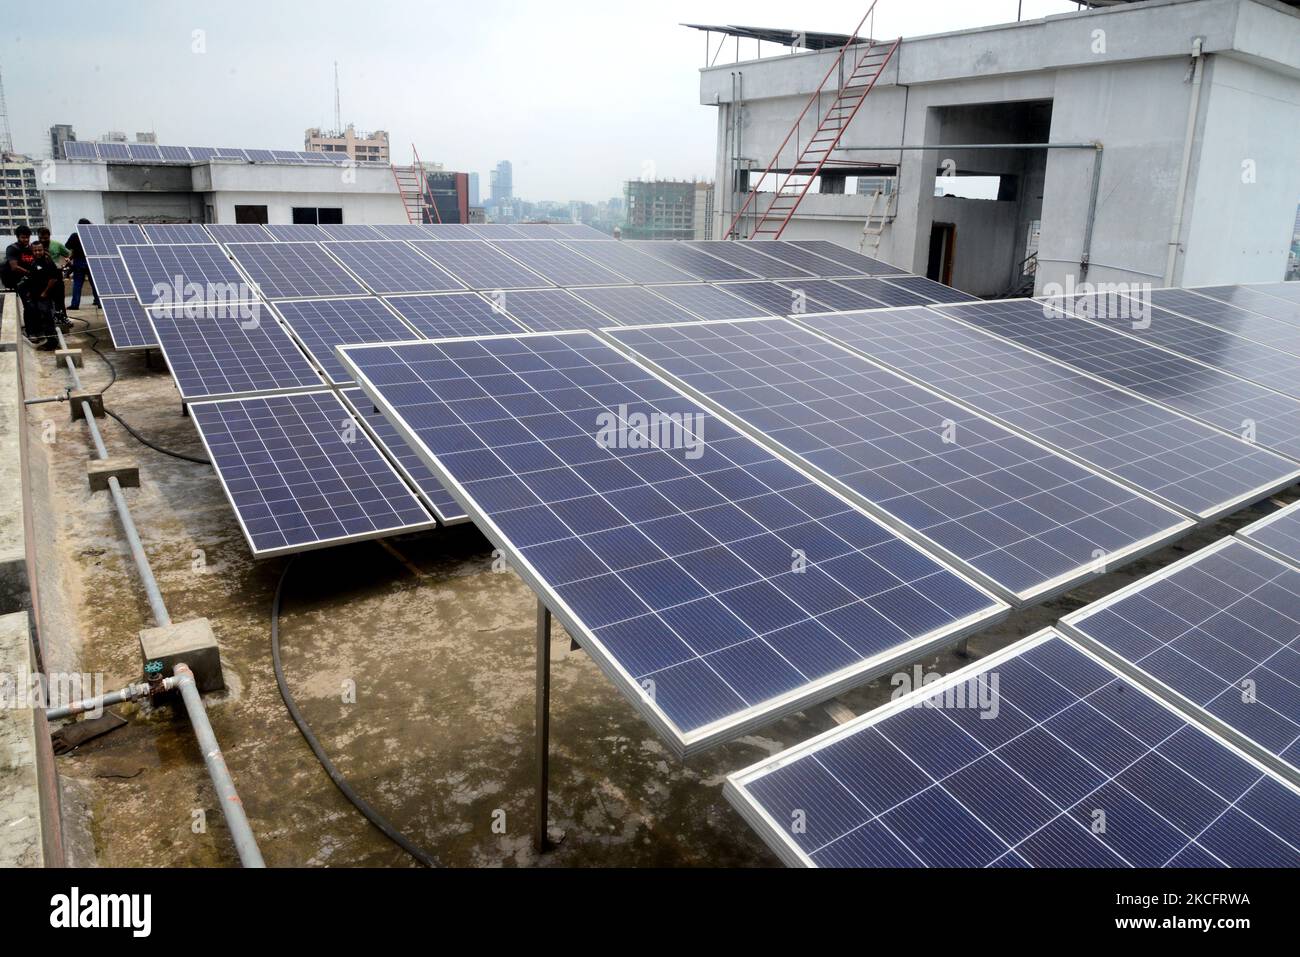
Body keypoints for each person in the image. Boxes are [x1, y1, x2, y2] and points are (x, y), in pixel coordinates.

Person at [22, 242, 63, 349]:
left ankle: (52, 343)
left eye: (39, 250)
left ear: (43, 250)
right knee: (42, 319)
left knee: (47, 319)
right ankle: (49, 341)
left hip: (45, 297)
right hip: (36, 296)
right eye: (35, 250)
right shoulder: (34, 262)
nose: (37, 252)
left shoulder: (48, 262)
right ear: (32, 251)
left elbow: (53, 279)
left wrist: (45, 292)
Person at [66, 218, 98, 310]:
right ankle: (98, 301)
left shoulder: (75, 236)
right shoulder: (92, 236)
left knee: (77, 284)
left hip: (78, 262)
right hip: (90, 261)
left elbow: (67, 246)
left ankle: (75, 304)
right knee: (94, 283)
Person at [2, 225, 35, 293]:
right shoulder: (12, 248)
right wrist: (30, 273)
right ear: (17, 237)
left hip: (30, 282)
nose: (26, 239)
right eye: (23, 237)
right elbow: (14, 267)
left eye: (27, 237)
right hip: (16, 283)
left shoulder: (31, 248)